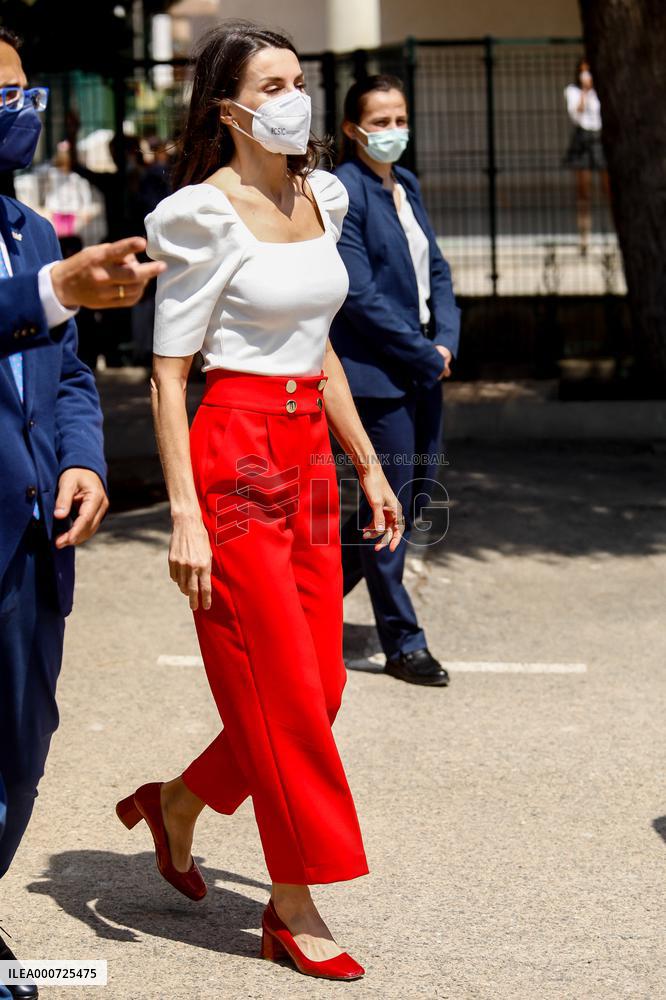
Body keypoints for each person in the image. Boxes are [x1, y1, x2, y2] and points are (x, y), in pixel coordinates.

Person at [115, 20, 404, 983]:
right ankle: (293, 904)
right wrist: (186, 514)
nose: (295, 97)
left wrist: (364, 461)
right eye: (272, 83)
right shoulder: (202, 212)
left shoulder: (321, 196)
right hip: (234, 451)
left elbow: (318, 347)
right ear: (229, 105)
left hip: (309, 458)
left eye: (297, 79)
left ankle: (181, 804)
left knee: (320, 686)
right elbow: (167, 376)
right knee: (281, 693)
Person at [0, 26, 164, 1000]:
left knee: (20, 750)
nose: (17, 106)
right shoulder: (42, 263)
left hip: (33, 547)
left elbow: (65, 376)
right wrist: (57, 288)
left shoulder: (26, 228)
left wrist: (87, 461)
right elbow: (35, 308)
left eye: (20, 89)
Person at [329, 74, 461, 687]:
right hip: (380, 377)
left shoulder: (405, 184)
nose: (392, 132)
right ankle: (403, 643)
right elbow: (359, 293)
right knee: (391, 511)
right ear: (353, 129)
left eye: (399, 119)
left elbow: (437, 269)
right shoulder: (347, 192)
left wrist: (447, 343)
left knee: (410, 498)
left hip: (423, 366)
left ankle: (311, 598)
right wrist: (422, 353)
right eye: (379, 122)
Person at [563, 58, 610, 255]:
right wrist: (585, 91)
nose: (586, 75)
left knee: (608, 188)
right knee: (583, 191)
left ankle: (611, 234)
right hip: (583, 137)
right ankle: (584, 237)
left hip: (600, 137)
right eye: (583, 72)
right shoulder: (572, 91)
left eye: (589, 71)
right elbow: (576, 114)